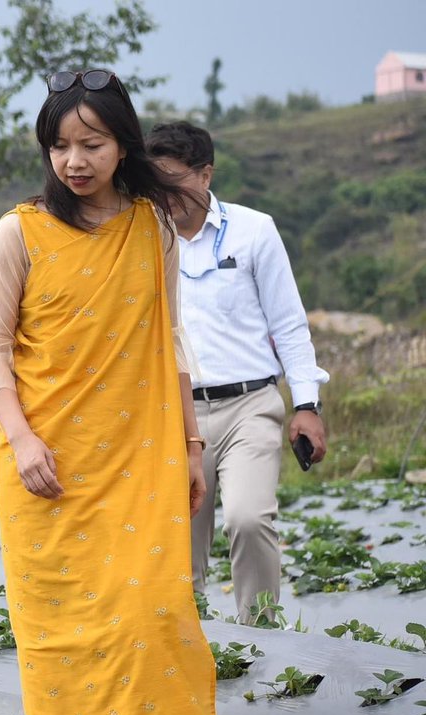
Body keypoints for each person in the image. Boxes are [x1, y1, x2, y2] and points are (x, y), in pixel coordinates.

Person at [0, 70, 226, 715]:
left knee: (155, 611)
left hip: (139, 458)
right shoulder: (18, 232)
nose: (74, 161)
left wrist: (192, 447)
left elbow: (171, 338)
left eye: (91, 143)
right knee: (60, 632)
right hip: (44, 462)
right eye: (59, 146)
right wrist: (23, 439)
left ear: (124, 145)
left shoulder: (153, 228)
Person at [146, 121, 329, 622]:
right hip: (174, 414)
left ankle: (262, 636)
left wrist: (307, 405)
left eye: (175, 181)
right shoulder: (143, 237)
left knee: (249, 519)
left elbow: (289, 325)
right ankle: (191, 646)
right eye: (154, 183)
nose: (165, 196)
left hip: (250, 404)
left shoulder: (253, 230)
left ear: (205, 175)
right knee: (180, 540)